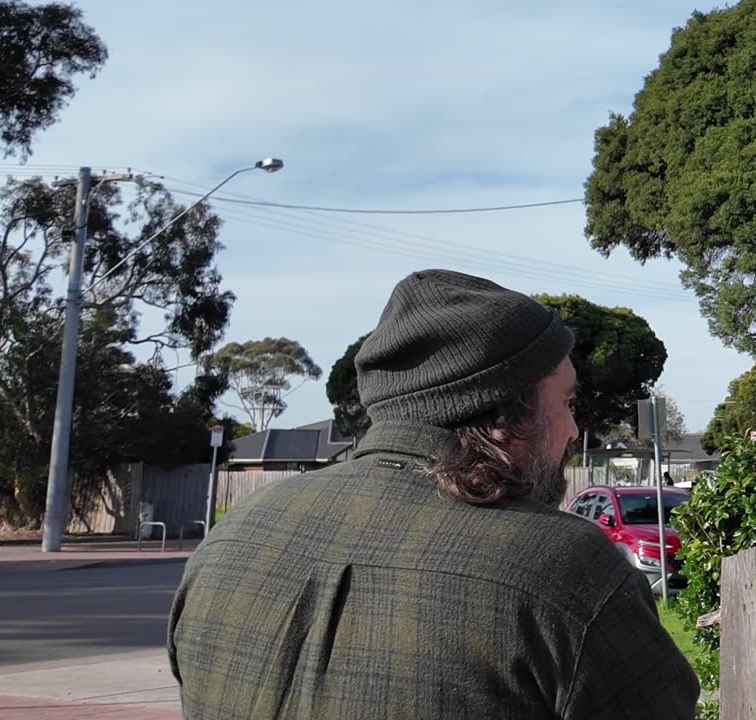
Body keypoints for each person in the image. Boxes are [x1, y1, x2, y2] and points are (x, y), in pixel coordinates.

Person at [168, 269, 700, 719]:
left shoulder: (227, 542)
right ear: (507, 413)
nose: (572, 429)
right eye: (564, 401)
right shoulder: (566, 569)